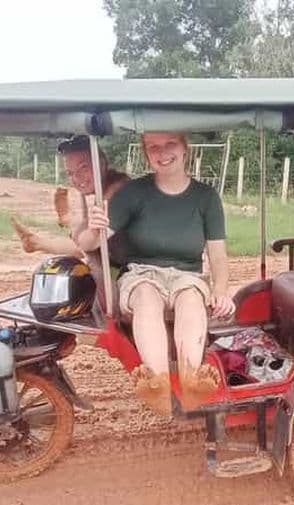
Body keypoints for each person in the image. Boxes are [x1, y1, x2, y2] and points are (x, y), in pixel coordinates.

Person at [81, 132, 234, 415]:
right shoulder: (133, 193)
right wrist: (92, 229)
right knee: (146, 297)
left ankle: (191, 380)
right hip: (141, 273)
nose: (162, 153)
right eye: (153, 147)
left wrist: (221, 291)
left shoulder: (206, 197)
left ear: (185, 147)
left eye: (170, 144)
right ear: (146, 154)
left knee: (191, 299)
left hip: (187, 274)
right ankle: (157, 383)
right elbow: (89, 244)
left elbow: (218, 256)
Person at [10, 135, 129, 303]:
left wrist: (74, 223)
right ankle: (39, 240)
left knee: (87, 259)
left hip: (131, 272)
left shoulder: (118, 190)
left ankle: (48, 235)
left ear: (101, 164)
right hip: (114, 259)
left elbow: (87, 244)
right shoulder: (102, 188)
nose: (77, 178)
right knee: (88, 247)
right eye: (70, 173)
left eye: (83, 168)